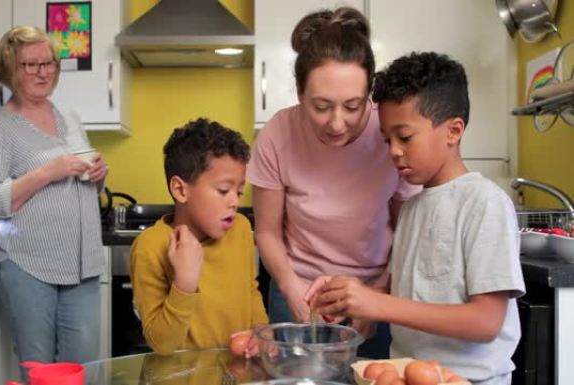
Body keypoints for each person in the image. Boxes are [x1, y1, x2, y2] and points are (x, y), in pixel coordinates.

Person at [306, 52, 525, 385]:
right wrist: (348, 297)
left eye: (404, 137)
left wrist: (377, 304)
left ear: (453, 131)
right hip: (403, 376)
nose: (393, 150)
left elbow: (486, 322)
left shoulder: (484, 203)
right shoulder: (411, 208)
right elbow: (404, 289)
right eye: (387, 140)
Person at [246, 6, 420, 358]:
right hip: (297, 289)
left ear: (370, 93)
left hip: (376, 290)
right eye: (322, 106)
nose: (337, 123)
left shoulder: (391, 135)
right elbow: (266, 231)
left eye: (353, 106)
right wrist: (292, 289)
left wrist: (378, 293)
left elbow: (409, 229)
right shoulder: (278, 134)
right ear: (299, 92)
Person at [0, 25, 109, 380]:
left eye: (48, 63)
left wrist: (98, 176)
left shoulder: (70, 118)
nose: (42, 72)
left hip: (83, 264)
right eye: (30, 64)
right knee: (40, 370)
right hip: (27, 263)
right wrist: (48, 171)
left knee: (83, 369)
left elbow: (78, 185)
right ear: (10, 70)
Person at [130, 118, 268, 354]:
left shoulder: (241, 229)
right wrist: (185, 282)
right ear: (181, 190)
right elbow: (161, 343)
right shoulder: (150, 246)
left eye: (239, 191)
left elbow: (249, 290)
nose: (235, 202)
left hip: (238, 374)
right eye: (224, 191)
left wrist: (261, 331)